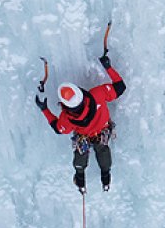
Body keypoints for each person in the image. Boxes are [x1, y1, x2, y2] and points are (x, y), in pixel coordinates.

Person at [35, 55, 126, 193]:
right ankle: (105, 178)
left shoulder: (66, 119)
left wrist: (44, 109)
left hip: (83, 136)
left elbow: (58, 128)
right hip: (102, 131)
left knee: (80, 156)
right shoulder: (98, 94)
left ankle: (80, 178)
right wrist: (108, 67)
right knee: (103, 152)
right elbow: (120, 87)